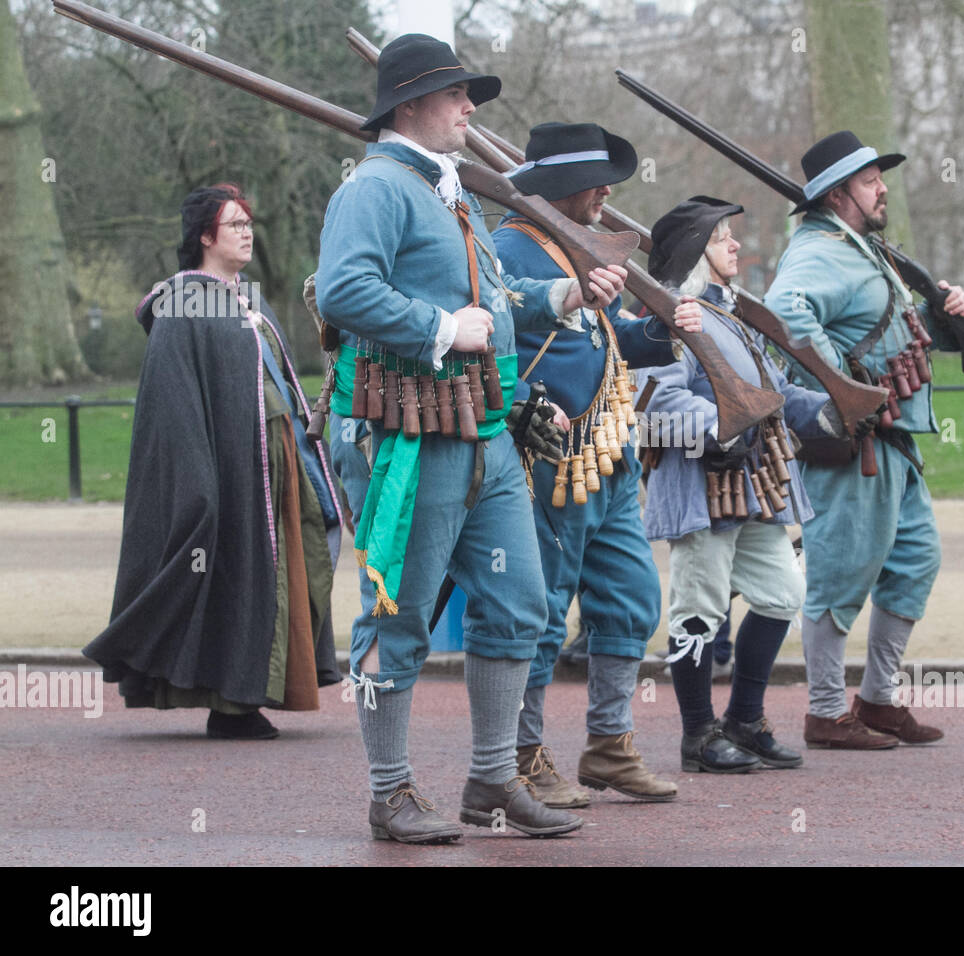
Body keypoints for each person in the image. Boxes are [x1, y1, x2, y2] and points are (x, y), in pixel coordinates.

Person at [316, 35, 626, 844]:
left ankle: (493, 777)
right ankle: (390, 793)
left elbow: (491, 298)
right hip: (408, 434)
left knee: (521, 607)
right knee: (398, 616)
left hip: (483, 430)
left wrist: (557, 294)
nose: (471, 107)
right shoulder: (376, 188)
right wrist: (443, 327)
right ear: (410, 106)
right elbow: (347, 288)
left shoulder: (446, 189)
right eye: (457, 94)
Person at [85, 183, 342, 740]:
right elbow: (172, 404)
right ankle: (232, 702)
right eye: (235, 225)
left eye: (250, 224)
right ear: (205, 236)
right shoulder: (181, 303)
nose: (248, 233)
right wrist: (198, 482)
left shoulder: (250, 298)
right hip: (226, 468)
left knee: (282, 574)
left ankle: (261, 690)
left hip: (277, 461)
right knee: (229, 572)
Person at [492, 122, 696, 806]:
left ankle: (609, 746)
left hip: (608, 454)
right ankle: (521, 756)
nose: (606, 192)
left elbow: (602, 343)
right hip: (551, 455)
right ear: (555, 187)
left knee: (632, 599)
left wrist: (662, 332)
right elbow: (496, 322)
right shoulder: (506, 248)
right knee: (543, 611)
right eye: (592, 181)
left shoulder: (575, 243)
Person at [764, 132, 964, 749]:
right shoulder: (822, 250)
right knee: (839, 573)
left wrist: (945, 316)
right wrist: (844, 388)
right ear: (838, 193)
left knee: (913, 563)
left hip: (895, 445)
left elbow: (891, 330)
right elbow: (784, 309)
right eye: (870, 180)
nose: (882, 188)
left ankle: (878, 700)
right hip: (861, 448)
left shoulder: (861, 248)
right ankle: (826, 712)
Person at [643, 196, 855, 771]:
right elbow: (657, 405)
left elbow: (774, 391)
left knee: (783, 594)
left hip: (755, 487)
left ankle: (743, 720)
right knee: (697, 610)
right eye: (721, 238)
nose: (735, 244)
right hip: (701, 485)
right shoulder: (674, 316)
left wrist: (831, 411)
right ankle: (697, 737)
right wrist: (720, 428)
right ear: (694, 254)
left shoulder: (733, 315)